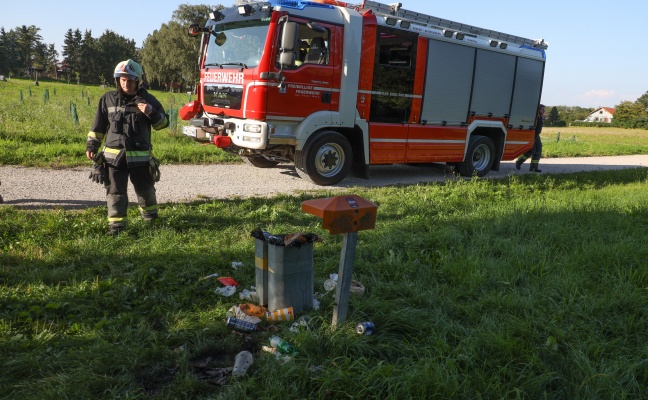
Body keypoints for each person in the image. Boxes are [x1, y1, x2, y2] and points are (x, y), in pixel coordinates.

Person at [86, 59, 168, 235]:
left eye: (130, 80)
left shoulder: (148, 99)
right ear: (117, 80)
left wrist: (151, 112)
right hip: (114, 160)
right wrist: (92, 145)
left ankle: (152, 222)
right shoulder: (107, 99)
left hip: (141, 160)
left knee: (146, 191)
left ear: (138, 81)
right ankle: (116, 228)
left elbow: (163, 124)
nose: (126, 83)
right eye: (122, 79)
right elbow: (98, 127)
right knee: (116, 193)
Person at [515, 103, 545, 172]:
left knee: (538, 152)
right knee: (531, 151)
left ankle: (534, 168)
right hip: (532, 136)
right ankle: (519, 162)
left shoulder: (540, 117)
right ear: (538, 110)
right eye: (542, 109)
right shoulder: (534, 118)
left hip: (537, 136)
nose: (544, 111)